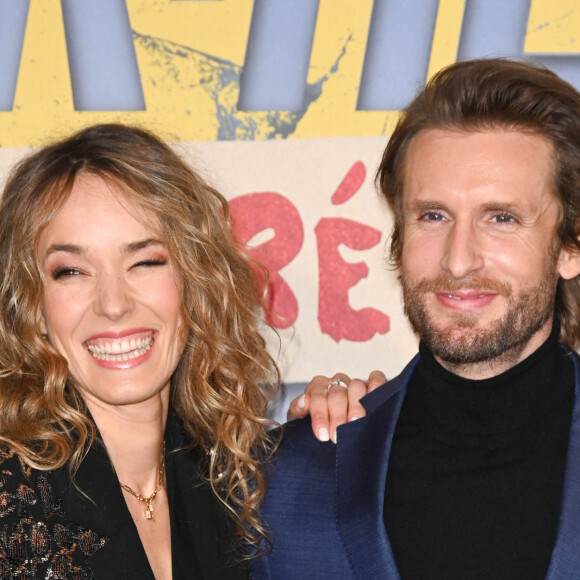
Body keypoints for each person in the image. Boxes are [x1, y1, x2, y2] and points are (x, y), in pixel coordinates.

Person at [253, 58, 580, 580]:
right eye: (433, 216)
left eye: (500, 218)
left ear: (569, 247)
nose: (458, 260)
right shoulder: (288, 480)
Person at [0, 122, 323, 579]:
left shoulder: (233, 481)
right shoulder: (11, 497)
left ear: (198, 282)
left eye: (145, 262)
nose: (113, 304)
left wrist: (339, 430)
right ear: (30, 303)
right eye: (71, 271)